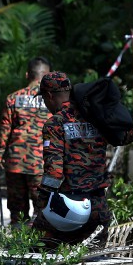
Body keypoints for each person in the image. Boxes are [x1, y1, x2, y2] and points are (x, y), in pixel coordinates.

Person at [34, 72, 119, 246]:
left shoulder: (55, 123)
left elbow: (54, 172)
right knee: (95, 260)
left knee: (39, 249)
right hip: (98, 205)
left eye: (44, 99)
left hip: (68, 206)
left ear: (49, 95)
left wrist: (42, 202)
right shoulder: (94, 116)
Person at [0, 57, 52, 224]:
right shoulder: (54, 100)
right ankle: (41, 245)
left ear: (27, 75)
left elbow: (3, 135)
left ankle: (18, 246)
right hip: (42, 164)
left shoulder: (13, 98)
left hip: (15, 163)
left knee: (18, 213)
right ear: (48, 76)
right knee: (43, 209)